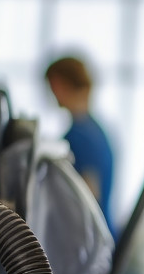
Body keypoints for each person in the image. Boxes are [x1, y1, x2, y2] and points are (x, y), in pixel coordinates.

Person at [45, 55, 114, 235]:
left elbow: (89, 194)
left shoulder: (80, 136)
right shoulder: (95, 129)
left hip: (90, 240)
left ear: (57, 84)